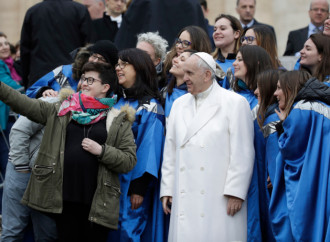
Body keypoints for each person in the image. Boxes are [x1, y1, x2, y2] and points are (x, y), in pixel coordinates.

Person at [0, 62, 137, 242]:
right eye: (83, 79)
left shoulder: (118, 119)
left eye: (90, 80)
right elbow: (23, 104)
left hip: (96, 205)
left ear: (105, 87)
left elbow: (128, 160)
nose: (84, 83)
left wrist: (102, 151)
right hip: (63, 202)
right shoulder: (62, 109)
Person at [160, 52, 255, 241]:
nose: (184, 78)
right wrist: (168, 189)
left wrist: (236, 192)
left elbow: (243, 152)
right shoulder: (179, 104)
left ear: (206, 75)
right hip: (184, 194)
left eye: (190, 73)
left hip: (220, 196)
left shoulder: (235, 103)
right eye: (184, 72)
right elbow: (170, 151)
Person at [108, 48, 165, 242]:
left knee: (127, 232)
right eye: (117, 64)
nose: (118, 68)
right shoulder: (115, 101)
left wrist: (138, 188)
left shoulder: (151, 108)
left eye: (124, 64)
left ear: (139, 68)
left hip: (130, 187)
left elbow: (150, 149)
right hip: (108, 183)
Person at [270, 70, 330, 241]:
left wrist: (284, 125)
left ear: (291, 88)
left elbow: (292, 151)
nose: (276, 93)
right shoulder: (322, 105)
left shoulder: (301, 110)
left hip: (311, 185)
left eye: (279, 88)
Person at [1, 97, 59, 242]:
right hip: (24, 170)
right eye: (84, 79)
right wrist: (21, 167)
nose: (85, 85)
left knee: (47, 234)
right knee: (12, 231)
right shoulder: (53, 102)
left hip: (47, 180)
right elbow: (19, 130)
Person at [232, 45, 275, 241]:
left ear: (255, 63)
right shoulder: (233, 98)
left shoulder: (268, 99)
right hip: (243, 172)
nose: (235, 63)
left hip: (263, 172)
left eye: (240, 59)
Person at [20, 0, 92, 88]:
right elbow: (89, 46)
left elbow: (25, 51)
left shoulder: (33, 12)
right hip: (69, 77)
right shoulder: (79, 10)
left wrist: (26, 80)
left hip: (40, 78)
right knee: (70, 101)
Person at [26, 40, 119, 98]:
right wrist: (43, 91)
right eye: (94, 56)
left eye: (101, 59)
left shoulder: (108, 89)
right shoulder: (64, 71)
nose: (95, 61)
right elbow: (30, 92)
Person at [114, 0, 207, 50]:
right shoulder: (193, 3)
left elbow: (125, 41)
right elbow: (202, 42)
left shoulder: (141, 2)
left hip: (147, 66)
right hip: (185, 67)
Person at [0, 33, 24, 215]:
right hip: (2, 124)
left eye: (6, 43)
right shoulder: (2, 67)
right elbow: (13, 87)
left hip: (8, 120)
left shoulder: (11, 65)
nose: (5, 47)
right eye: (0, 45)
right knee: (7, 166)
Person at [212, 14, 242, 88]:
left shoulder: (246, 63)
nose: (217, 32)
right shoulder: (208, 61)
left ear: (236, 34)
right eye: (215, 30)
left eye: (222, 29)